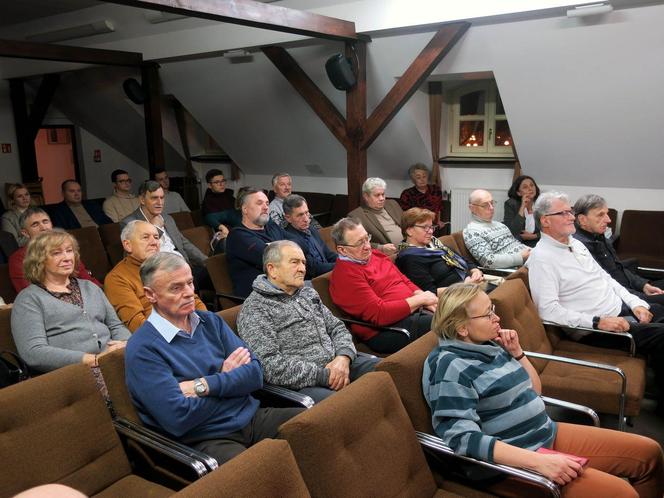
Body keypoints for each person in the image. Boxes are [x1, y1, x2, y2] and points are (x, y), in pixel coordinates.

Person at [423, 282, 664, 497]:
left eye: (493, 309)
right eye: (488, 314)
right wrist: (539, 463)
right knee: (622, 493)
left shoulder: (488, 345)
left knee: (649, 454)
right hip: (512, 464)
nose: (497, 318)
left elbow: (535, 391)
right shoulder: (450, 367)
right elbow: (462, 438)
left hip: (543, 432)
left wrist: (517, 353)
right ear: (462, 329)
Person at [125, 252, 303, 465]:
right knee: (261, 471)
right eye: (176, 288)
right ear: (150, 294)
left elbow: (255, 375)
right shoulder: (142, 349)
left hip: (252, 418)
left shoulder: (210, 321)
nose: (189, 293)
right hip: (207, 439)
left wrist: (203, 385)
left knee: (315, 427)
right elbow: (177, 418)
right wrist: (228, 380)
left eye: (190, 283)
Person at [527, 191, 664, 409]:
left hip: (619, 309)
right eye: (563, 213)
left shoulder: (576, 244)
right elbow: (547, 311)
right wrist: (597, 321)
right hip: (597, 330)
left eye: (570, 210)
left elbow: (607, 278)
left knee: (657, 309)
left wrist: (636, 303)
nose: (572, 216)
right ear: (545, 221)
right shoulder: (542, 258)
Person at [238, 241, 377, 402]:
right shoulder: (256, 308)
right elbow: (269, 366)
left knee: (386, 371)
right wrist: (324, 375)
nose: (302, 269)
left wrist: (343, 357)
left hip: (340, 364)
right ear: (272, 269)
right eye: (294, 262)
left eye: (303, 262)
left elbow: (337, 327)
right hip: (305, 384)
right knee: (345, 405)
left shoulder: (308, 293)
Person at [11, 229, 130, 374]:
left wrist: (124, 344)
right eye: (56, 253)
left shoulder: (90, 287)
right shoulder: (28, 299)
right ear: (39, 261)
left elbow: (116, 325)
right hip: (76, 374)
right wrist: (91, 359)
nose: (67, 257)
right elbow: (33, 352)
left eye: (69, 251)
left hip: (114, 360)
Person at [329, 217, 438, 354]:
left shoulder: (374, 255)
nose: (368, 246)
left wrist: (420, 294)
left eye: (366, 238)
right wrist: (420, 300)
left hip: (412, 311)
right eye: (359, 243)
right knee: (449, 323)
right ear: (343, 250)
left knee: (459, 309)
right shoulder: (345, 276)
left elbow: (403, 279)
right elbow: (380, 314)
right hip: (387, 330)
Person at [104, 220, 207, 332]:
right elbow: (137, 324)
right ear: (128, 245)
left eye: (156, 237)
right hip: (162, 339)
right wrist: (179, 332)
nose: (154, 242)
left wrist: (204, 325)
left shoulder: (168, 265)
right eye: (145, 237)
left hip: (195, 327)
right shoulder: (117, 278)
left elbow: (195, 301)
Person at [573, 194, 664, 306]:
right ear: (582, 220)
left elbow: (619, 268)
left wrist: (643, 285)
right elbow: (605, 286)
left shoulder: (599, 236)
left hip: (631, 288)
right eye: (600, 215)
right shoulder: (580, 246)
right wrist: (640, 297)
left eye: (606, 213)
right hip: (622, 298)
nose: (608, 219)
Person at [121, 180, 207, 273]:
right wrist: (157, 228)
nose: (160, 202)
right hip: (160, 272)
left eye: (162, 198)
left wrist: (207, 262)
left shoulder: (167, 218)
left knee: (217, 269)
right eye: (154, 198)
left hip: (184, 266)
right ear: (142, 200)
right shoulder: (129, 223)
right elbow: (140, 255)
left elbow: (184, 243)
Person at [225, 187, 297, 298]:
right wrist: (284, 246)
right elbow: (269, 257)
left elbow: (302, 244)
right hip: (259, 296)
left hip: (284, 287)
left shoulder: (271, 226)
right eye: (259, 203)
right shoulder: (238, 235)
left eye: (267, 203)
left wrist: (272, 246)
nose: (265, 207)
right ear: (245, 209)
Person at [9, 207, 101, 292]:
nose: (43, 228)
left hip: (80, 296)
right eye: (35, 224)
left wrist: (101, 292)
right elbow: (28, 292)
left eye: (45, 222)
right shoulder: (18, 258)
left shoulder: (64, 249)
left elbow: (85, 278)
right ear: (25, 232)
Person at [396, 208, 484, 296]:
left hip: (472, 285)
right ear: (409, 231)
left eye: (431, 227)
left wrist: (475, 271)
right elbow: (429, 292)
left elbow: (463, 259)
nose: (430, 231)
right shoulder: (410, 258)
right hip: (456, 297)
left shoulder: (435, 244)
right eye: (425, 227)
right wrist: (463, 287)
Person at [463, 189, 530, 268]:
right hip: (517, 268)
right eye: (485, 205)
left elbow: (516, 245)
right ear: (472, 208)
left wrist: (534, 251)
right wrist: (521, 257)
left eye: (492, 203)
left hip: (530, 258)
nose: (491, 208)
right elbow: (488, 261)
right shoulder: (471, 232)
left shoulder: (500, 225)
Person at [283, 194, 337, 278]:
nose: (306, 219)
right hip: (313, 281)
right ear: (288, 218)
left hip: (329, 273)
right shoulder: (290, 240)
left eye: (306, 213)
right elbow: (314, 268)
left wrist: (346, 260)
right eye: (300, 215)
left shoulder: (311, 229)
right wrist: (342, 265)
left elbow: (328, 254)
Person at [348, 177, 402, 256]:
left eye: (383, 194)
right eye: (377, 195)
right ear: (366, 196)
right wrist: (380, 248)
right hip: (388, 255)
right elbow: (355, 242)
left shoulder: (392, 204)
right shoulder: (356, 216)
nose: (382, 198)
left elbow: (407, 223)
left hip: (406, 247)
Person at [503, 175, 540, 247]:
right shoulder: (511, 204)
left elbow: (552, 229)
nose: (530, 189)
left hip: (538, 241)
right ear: (518, 193)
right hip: (517, 242)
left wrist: (535, 236)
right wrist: (523, 206)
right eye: (525, 187)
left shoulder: (542, 204)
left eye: (532, 185)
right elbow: (512, 231)